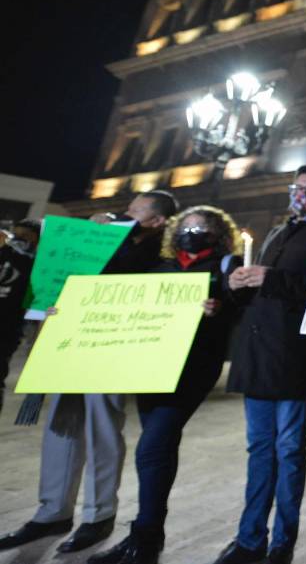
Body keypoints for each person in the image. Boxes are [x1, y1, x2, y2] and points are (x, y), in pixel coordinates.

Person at [0, 190, 179, 555]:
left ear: (157, 221)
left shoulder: (161, 254)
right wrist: (51, 300)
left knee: (102, 431)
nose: (125, 214)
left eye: (134, 211)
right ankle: (52, 511)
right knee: (61, 428)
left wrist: (109, 236)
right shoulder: (107, 239)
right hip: (71, 344)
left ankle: (99, 516)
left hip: (110, 349)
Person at [89, 206, 243, 564]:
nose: (192, 234)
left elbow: (240, 306)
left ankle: (145, 538)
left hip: (192, 370)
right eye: (186, 228)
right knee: (159, 449)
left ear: (217, 235)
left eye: (201, 229)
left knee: (152, 448)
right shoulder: (160, 267)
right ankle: (146, 538)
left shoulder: (225, 267)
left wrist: (220, 309)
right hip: (153, 366)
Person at [212, 166, 306, 564]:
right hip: (258, 353)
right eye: (297, 187)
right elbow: (256, 291)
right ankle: (249, 539)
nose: (302, 194)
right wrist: (235, 285)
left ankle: (283, 541)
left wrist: (273, 278)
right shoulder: (279, 232)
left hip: (294, 355)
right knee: (259, 450)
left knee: (289, 450)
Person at [0, 219, 40, 411]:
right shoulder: (4, 254)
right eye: (16, 234)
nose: (19, 239)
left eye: (25, 236)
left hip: (7, 328)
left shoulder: (36, 265)